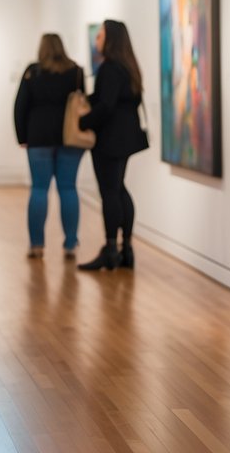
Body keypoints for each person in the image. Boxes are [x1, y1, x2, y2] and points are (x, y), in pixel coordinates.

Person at [78, 19, 148, 271]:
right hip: (127, 137)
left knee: (110, 192)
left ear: (111, 39)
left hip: (110, 140)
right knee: (118, 189)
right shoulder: (129, 66)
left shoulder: (109, 68)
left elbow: (106, 106)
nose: (96, 40)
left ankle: (110, 251)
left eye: (100, 36)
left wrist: (82, 120)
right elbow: (115, 100)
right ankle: (126, 249)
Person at [13, 33, 86, 260]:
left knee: (39, 189)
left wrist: (22, 136)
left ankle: (36, 245)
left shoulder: (33, 71)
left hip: (39, 138)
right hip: (70, 139)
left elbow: (20, 107)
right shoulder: (76, 72)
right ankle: (70, 244)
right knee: (68, 188)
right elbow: (82, 104)